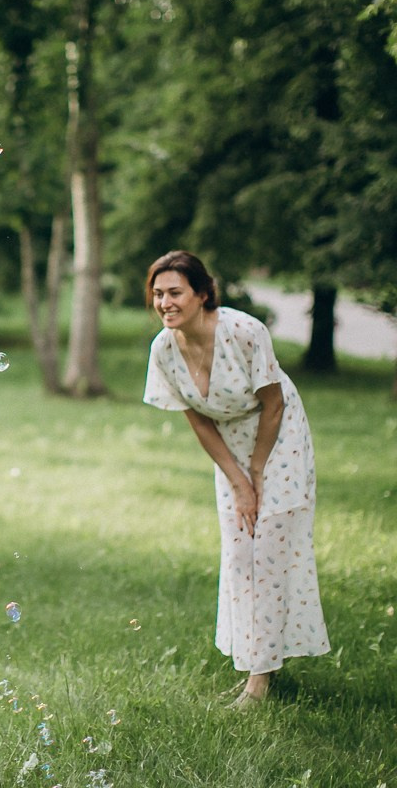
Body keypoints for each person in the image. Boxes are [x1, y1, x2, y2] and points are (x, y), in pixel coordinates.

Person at [142, 251, 330, 708]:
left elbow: (274, 403)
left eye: (175, 292)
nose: (165, 302)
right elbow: (200, 423)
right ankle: (254, 661)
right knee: (240, 554)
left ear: (203, 294)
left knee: (267, 551)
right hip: (228, 449)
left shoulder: (244, 332)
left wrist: (259, 470)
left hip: (278, 438)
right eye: (158, 293)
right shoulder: (164, 349)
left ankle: (259, 682)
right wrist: (239, 480)